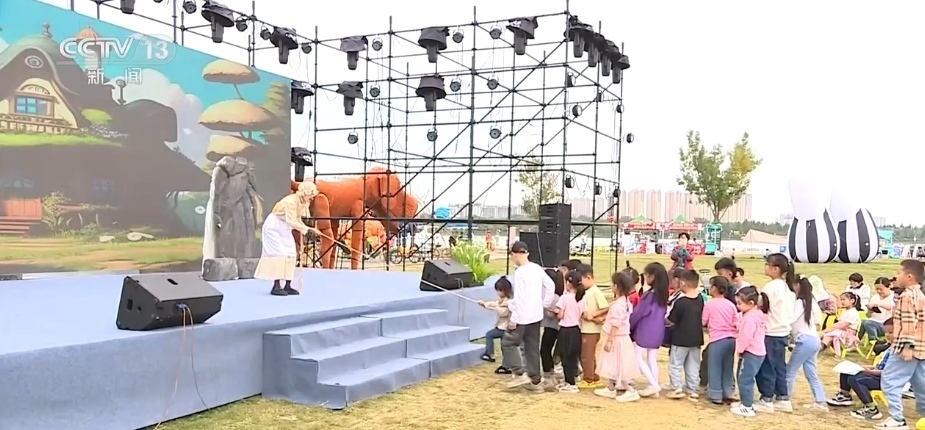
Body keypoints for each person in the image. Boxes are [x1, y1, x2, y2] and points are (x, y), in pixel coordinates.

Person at [876, 259, 925, 430]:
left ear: (909, 276)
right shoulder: (920, 294)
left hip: (907, 347)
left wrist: (907, 348)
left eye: (899, 273)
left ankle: (897, 419)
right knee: (921, 384)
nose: (896, 276)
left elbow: (909, 324)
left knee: (889, 380)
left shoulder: (906, 296)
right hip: (921, 348)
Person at [502, 241, 555, 393]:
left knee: (508, 343)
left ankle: (520, 373)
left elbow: (520, 297)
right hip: (536, 315)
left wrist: (514, 319)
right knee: (532, 347)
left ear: (515, 254)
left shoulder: (520, 272)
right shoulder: (536, 268)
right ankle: (535, 381)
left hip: (522, 316)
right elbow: (550, 285)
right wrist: (544, 303)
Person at [255, 182, 322, 296]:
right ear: (305, 193)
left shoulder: (303, 202)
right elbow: (291, 220)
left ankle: (288, 285)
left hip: (285, 227)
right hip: (274, 227)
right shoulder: (290, 201)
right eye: (311, 194)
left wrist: (309, 228)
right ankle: (276, 286)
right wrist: (309, 229)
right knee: (279, 255)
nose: (312, 197)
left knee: (291, 253)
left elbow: (297, 219)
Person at [828, 318, 896, 421]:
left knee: (856, 379)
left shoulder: (899, 352)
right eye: (886, 332)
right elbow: (882, 366)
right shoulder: (890, 348)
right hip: (879, 374)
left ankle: (871, 409)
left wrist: (869, 372)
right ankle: (844, 395)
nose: (887, 335)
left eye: (891, 332)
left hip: (887, 380)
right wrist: (868, 367)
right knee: (848, 370)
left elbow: (889, 372)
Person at [754, 253, 796, 413]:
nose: (765, 267)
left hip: (770, 331)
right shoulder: (788, 287)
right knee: (779, 366)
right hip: (782, 331)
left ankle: (766, 399)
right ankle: (782, 397)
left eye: (767, 264)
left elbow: (762, 307)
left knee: (767, 366)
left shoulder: (771, 287)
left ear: (775, 268)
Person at [593, 272, 641, 402]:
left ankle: (631, 391)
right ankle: (611, 387)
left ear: (617, 286)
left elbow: (616, 324)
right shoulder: (624, 301)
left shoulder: (619, 305)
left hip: (617, 338)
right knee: (613, 363)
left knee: (619, 364)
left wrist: (609, 340)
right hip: (618, 337)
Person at [785, 275, 828, 410]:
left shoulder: (799, 302)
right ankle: (820, 401)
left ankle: (784, 398)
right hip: (814, 339)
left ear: (797, 285)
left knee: (790, 370)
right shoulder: (811, 301)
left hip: (804, 340)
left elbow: (790, 319)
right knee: (811, 371)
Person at [630, 262, 669, 398]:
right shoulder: (662, 295)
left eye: (646, 274)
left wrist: (630, 325)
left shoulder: (649, 296)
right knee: (652, 358)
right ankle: (654, 384)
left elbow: (638, 313)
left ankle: (653, 384)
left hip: (645, 329)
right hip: (658, 330)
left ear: (652, 276)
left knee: (637, 356)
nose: (645, 277)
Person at [665, 269, 705, 401]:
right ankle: (692, 389)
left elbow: (672, 320)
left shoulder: (681, 302)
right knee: (693, 364)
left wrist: (664, 320)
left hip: (680, 338)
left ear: (683, 283)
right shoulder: (700, 299)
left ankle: (676, 387)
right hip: (696, 338)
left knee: (676, 364)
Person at [730, 286, 769, 417]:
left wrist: (739, 350)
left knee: (744, 378)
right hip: (758, 351)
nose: (737, 306)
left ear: (751, 303)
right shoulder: (758, 314)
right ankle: (746, 402)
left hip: (750, 352)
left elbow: (746, 337)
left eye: (739, 303)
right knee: (746, 377)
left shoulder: (749, 318)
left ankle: (747, 407)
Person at [703, 276, 738, 405]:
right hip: (731, 339)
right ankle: (728, 391)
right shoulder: (731, 304)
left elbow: (703, 321)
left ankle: (715, 393)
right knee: (728, 366)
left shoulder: (710, 304)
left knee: (715, 366)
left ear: (715, 288)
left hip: (717, 338)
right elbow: (736, 321)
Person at [554, 270, 585, 393]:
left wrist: (556, 312)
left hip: (566, 330)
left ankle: (570, 383)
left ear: (568, 283)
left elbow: (560, 315)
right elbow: (583, 314)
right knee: (573, 356)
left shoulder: (564, 298)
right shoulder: (581, 298)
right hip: (576, 330)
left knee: (565, 356)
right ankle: (573, 380)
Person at [578, 264, 609, 389]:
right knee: (588, 354)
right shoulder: (587, 292)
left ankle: (588, 379)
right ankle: (594, 376)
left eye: (581, 280)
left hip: (591, 330)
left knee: (586, 355)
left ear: (588, 277)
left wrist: (594, 315)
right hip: (585, 328)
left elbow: (606, 307)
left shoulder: (595, 291)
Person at [478, 276, 513, 373]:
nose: (498, 293)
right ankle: (506, 366)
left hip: (504, 328)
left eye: (500, 290)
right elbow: (494, 304)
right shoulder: (501, 301)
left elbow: (504, 313)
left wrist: (497, 308)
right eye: (497, 290)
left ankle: (489, 354)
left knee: (489, 335)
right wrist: (484, 304)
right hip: (501, 327)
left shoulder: (508, 302)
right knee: (504, 347)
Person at [540, 268, 564, 382]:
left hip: (552, 327)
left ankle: (548, 372)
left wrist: (544, 307)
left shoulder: (553, 297)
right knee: (547, 349)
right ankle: (550, 370)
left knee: (545, 350)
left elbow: (551, 315)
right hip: (552, 327)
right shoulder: (557, 295)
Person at [820, 292, 862, 356]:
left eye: (844, 299)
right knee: (828, 336)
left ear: (852, 300)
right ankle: (819, 349)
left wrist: (826, 330)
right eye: (841, 300)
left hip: (848, 336)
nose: (842, 301)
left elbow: (842, 325)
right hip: (841, 332)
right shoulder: (845, 310)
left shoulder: (853, 313)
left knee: (828, 334)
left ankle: (818, 349)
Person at [860, 277, 895, 342]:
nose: (879, 291)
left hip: (886, 324)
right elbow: (868, 316)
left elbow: (890, 307)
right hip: (874, 322)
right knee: (863, 322)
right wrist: (870, 311)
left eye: (881, 289)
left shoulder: (894, 296)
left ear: (888, 287)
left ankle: (874, 340)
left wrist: (878, 304)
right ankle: (857, 340)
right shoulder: (875, 297)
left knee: (868, 323)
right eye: (877, 289)